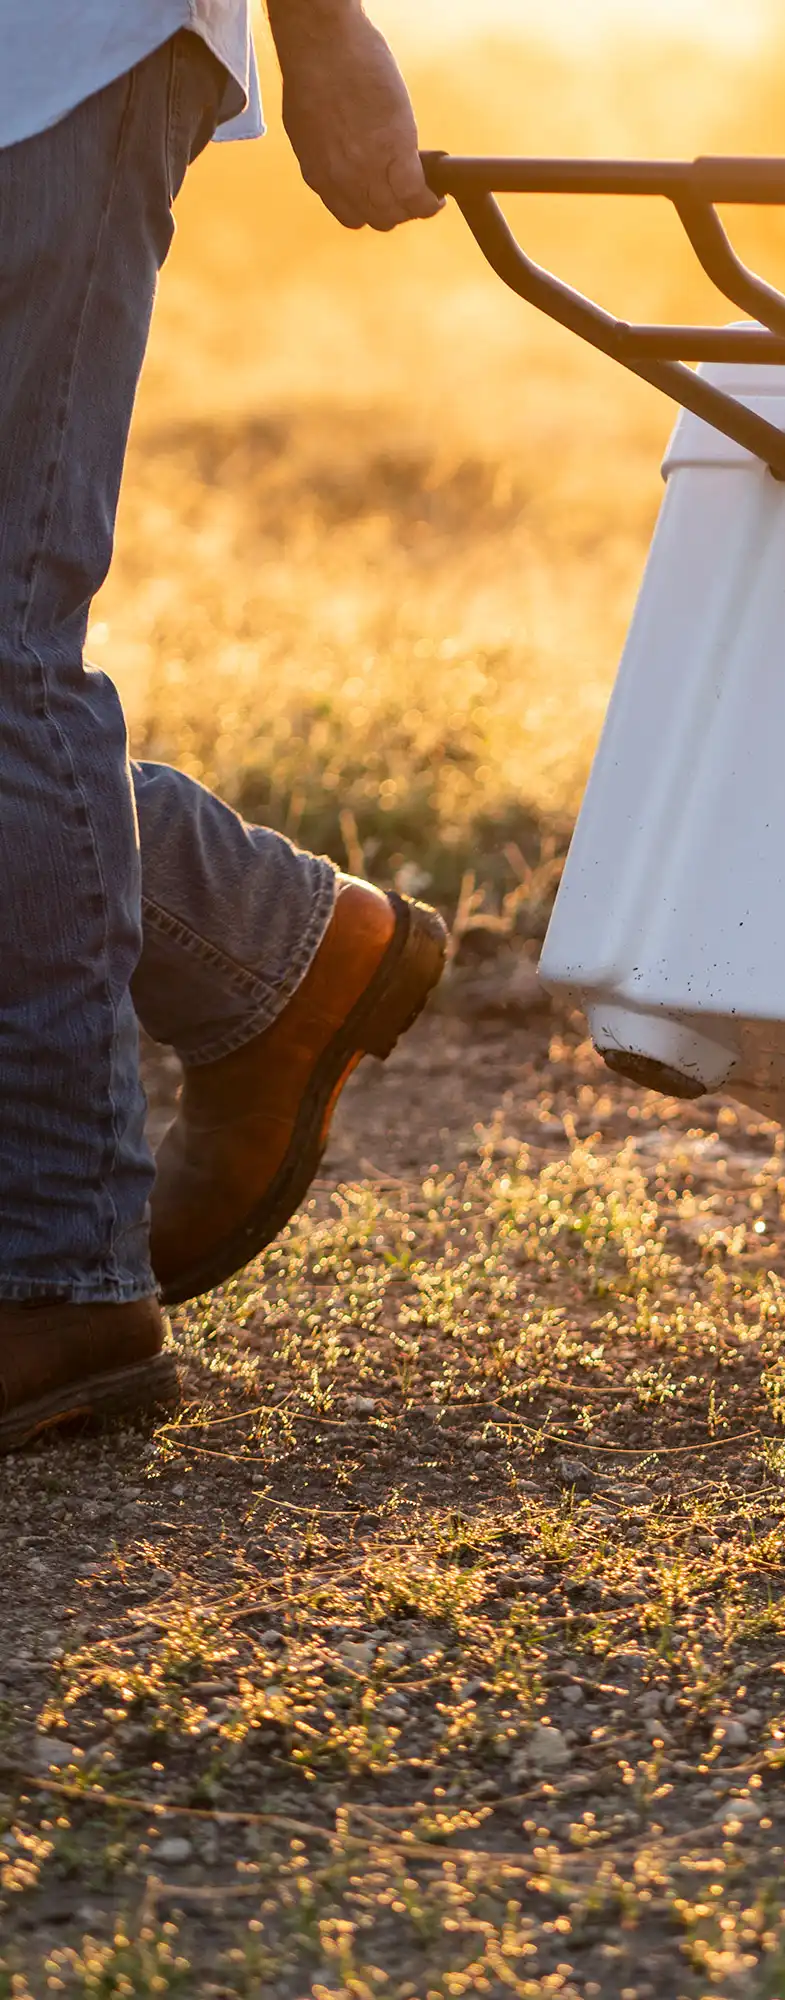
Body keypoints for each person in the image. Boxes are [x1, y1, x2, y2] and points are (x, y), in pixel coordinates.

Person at [0, 0, 448, 1454]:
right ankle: (270, 952)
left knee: (1, 646)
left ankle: (52, 1271)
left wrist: (322, 26)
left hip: (48, 61)